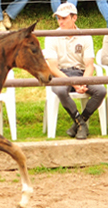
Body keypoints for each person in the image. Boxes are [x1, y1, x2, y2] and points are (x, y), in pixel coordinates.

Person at [44, 2, 107, 139]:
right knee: (60, 90)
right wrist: (73, 83)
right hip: (60, 74)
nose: (60, 21)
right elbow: (53, 67)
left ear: (74, 18)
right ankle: (81, 124)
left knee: (101, 90)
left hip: (80, 73)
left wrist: (83, 82)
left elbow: (89, 64)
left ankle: (79, 122)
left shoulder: (85, 36)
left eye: (64, 18)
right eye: (58, 18)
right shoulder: (51, 36)